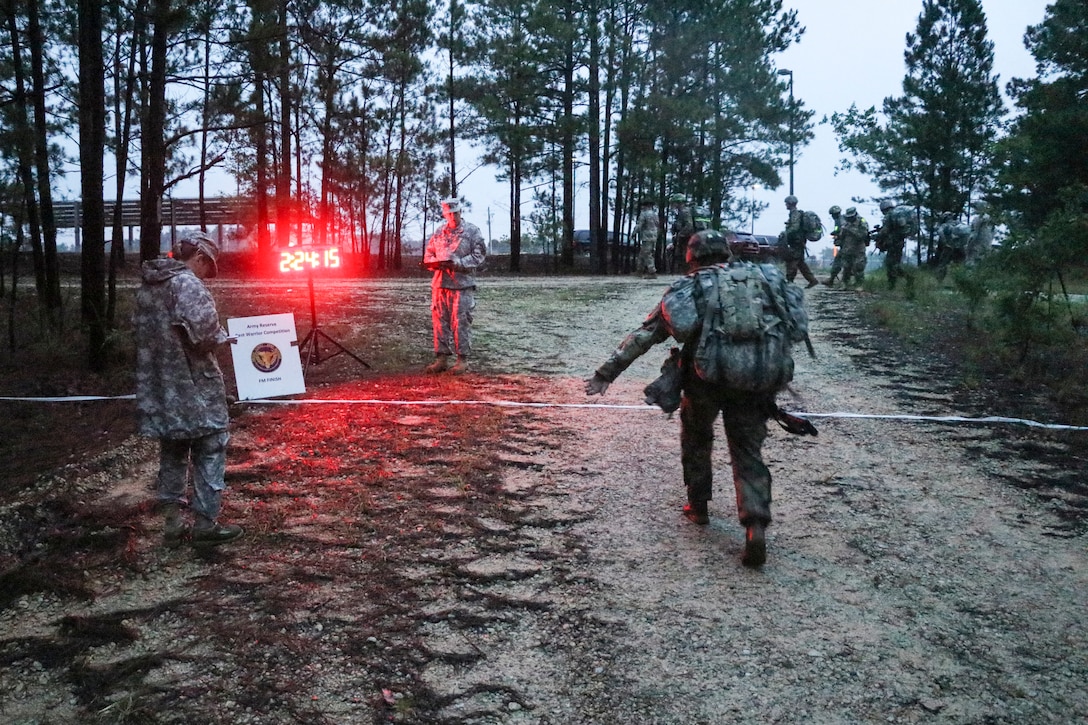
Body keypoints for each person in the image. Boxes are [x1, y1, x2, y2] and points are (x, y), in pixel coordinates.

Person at [584, 229, 811, 568]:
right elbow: (794, 327)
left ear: (691, 257)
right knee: (748, 450)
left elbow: (647, 334)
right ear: (726, 253)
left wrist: (606, 373)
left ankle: (698, 505)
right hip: (755, 383)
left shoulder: (690, 287)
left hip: (706, 380)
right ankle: (755, 524)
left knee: (696, 437)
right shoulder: (764, 280)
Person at [135, 232, 243, 549]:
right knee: (211, 446)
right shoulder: (188, 284)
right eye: (207, 269)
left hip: (160, 388)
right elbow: (205, 336)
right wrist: (229, 339)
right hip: (194, 387)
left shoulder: (149, 287)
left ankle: (172, 523)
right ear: (199, 258)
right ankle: (205, 525)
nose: (206, 276)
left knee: (172, 450)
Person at [422, 197, 487, 374]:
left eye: (454, 213)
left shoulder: (472, 231)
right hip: (440, 284)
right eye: (448, 213)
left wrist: (458, 263)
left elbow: (479, 255)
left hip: (462, 285)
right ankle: (441, 358)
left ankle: (462, 360)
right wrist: (435, 263)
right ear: (444, 214)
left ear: (460, 212)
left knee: (461, 322)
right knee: (440, 323)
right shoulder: (439, 232)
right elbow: (428, 255)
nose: (452, 216)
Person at [779, 195, 819, 288]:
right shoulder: (794, 214)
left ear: (790, 203)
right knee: (800, 263)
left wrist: (785, 233)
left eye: (787, 203)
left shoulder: (795, 214)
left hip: (796, 242)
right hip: (797, 241)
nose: (786, 205)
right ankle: (812, 280)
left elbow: (795, 227)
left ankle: (790, 280)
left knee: (792, 261)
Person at [873, 199, 911, 290]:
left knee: (891, 264)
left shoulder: (889, 216)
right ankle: (895, 283)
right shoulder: (897, 215)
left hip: (893, 243)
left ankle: (900, 281)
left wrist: (876, 236)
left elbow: (885, 231)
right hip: (898, 242)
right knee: (893, 264)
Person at [835, 207, 870, 288]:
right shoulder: (846, 223)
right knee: (846, 267)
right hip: (847, 249)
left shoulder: (862, 222)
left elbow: (862, 235)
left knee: (858, 267)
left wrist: (850, 230)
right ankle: (844, 284)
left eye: (851, 217)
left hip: (858, 249)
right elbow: (841, 236)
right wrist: (838, 239)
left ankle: (859, 284)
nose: (849, 219)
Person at [935, 211, 970, 280]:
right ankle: (962, 280)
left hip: (949, 247)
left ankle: (939, 280)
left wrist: (945, 243)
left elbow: (940, 232)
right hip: (961, 247)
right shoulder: (959, 223)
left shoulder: (945, 225)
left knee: (943, 264)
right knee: (960, 263)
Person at [667, 193, 694, 272]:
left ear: (679, 202)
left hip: (687, 237)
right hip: (686, 237)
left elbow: (689, 225)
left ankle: (689, 271)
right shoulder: (682, 212)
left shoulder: (684, 211)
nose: (673, 205)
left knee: (686, 255)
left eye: (674, 203)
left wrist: (680, 234)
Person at [635, 198, 659, 279]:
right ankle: (639, 270)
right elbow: (658, 225)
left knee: (647, 254)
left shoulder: (644, 214)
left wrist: (634, 233)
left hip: (646, 236)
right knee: (643, 253)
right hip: (654, 236)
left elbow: (639, 225)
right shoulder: (655, 214)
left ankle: (652, 272)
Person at [967, 201, 993, 265]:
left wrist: (969, 245)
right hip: (986, 243)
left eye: (976, 207)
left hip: (978, 243)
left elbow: (974, 234)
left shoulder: (979, 219)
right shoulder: (988, 219)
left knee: (974, 261)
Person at [824, 205, 844, 286]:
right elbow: (837, 230)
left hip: (847, 245)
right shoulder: (837, 221)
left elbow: (843, 232)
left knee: (838, 262)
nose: (832, 216)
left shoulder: (841, 220)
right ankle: (832, 279)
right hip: (844, 245)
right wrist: (834, 233)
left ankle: (832, 280)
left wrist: (838, 236)